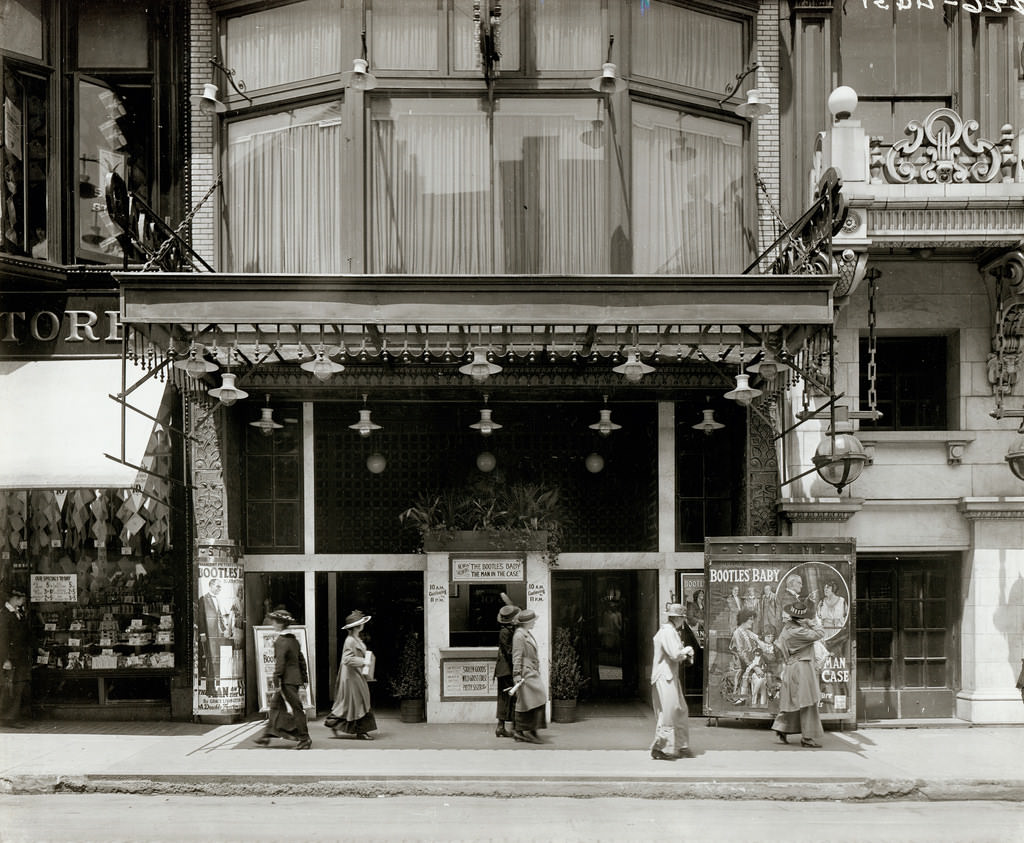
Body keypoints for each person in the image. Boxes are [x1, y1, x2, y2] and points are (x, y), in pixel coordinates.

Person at [253, 608, 311, 750]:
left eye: (274, 622)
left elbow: (280, 664)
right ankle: (267, 735)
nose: (272, 624)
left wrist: (276, 680)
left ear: (280, 624)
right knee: (275, 706)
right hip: (294, 680)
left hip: (286, 680)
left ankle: (304, 738)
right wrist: (304, 678)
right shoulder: (293, 640)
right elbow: (301, 660)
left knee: (297, 709)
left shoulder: (281, 641)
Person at [771, 601, 827, 748]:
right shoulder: (798, 631)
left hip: (792, 667)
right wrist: (811, 621)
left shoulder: (787, 629)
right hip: (802, 667)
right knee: (808, 702)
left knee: (793, 701)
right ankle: (807, 738)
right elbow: (820, 633)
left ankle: (782, 727)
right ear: (801, 618)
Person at [649, 603, 695, 761]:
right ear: (678, 618)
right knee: (670, 711)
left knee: (680, 709)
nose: (683, 621)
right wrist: (687, 650)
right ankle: (661, 748)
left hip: (669, 675)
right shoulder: (668, 632)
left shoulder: (670, 631)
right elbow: (675, 654)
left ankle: (681, 745)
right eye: (682, 618)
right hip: (665, 676)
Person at [324, 610, 378, 740]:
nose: (363, 625)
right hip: (352, 677)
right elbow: (346, 659)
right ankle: (361, 732)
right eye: (362, 623)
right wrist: (364, 661)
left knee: (354, 703)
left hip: (355, 675)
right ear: (357, 626)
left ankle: (335, 723)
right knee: (359, 702)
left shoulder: (355, 639)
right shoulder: (350, 641)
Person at [510, 609, 547, 744]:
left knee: (532, 699)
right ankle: (525, 731)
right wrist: (516, 675)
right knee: (529, 700)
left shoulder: (525, 633)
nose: (534, 623)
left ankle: (526, 730)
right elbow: (517, 656)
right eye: (533, 621)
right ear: (527, 622)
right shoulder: (519, 636)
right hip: (525, 672)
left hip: (531, 671)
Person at [0, 588, 31, 727]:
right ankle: (9, 718)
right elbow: (3, 639)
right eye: (21, 598)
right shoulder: (5, 615)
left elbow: (26, 633)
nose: (23, 600)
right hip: (11, 658)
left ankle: (12, 716)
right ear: (14, 598)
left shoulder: (19, 613)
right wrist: (5, 659)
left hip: (20, 656)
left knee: (17, 687)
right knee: (11, 687)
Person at [494, 604, 520, 738]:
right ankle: (513, 727)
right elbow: (510, 652)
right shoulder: (505, 632)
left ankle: (501, 727)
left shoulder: (507, 630)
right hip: (506, 670)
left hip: (504, 670)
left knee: (505, 697)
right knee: (512, 696)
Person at [728, 608, 765, 703]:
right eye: (750, 619)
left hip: (749, 663)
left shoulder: (747, 632)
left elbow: (759, 641)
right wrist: (755, 667)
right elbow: (742, 654)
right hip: (740, 665)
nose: (752, 622)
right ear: (744, 619)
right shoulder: (737, 633)